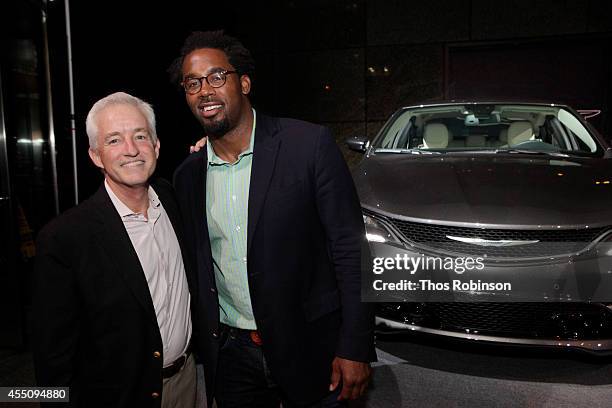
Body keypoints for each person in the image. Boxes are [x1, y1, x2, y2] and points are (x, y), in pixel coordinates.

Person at [169, 31, 376, 407]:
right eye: (192, 83)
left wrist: (356, 345)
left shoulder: (308, 145)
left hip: (313, 347)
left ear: (244, 82)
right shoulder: (188, 177)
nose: (204, 91)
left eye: (216, 77)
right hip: (232, 357)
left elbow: (350, 249)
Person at [32, 92, 199, 408]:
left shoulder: (173, 199)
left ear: (157, 145)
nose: (132, 150)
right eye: (114, 141)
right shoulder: (65, 238)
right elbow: (52, 360)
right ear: (95, 156)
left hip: (186, 383)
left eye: (140, 136)